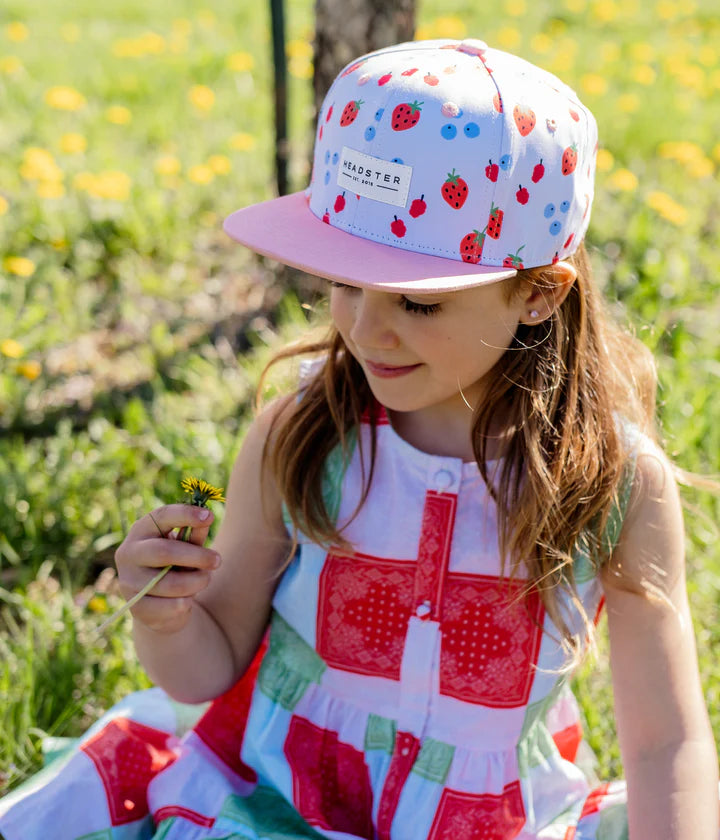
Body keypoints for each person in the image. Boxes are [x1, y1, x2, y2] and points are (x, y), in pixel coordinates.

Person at [1, 36, 717, 840]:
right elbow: (209, 668)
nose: (365, 330)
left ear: (538, 295)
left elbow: (666, 743)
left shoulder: (613, 483)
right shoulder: (305, 434)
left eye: (416, 303)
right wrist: (166, 618)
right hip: (280, 811)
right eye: (344, 282)